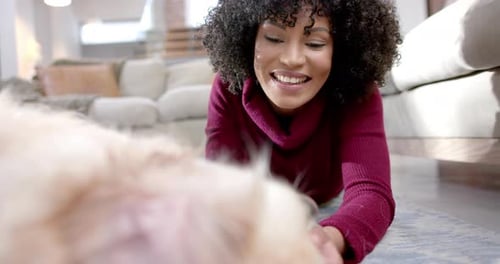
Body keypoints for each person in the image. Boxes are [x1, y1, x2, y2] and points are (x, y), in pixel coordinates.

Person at [202, 0, 401, 263]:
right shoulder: (228, 87)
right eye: (273, 37)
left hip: (324, 193)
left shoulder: (357, 91)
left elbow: (371, 192)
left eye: (315, 43)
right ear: (249, 38)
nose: (292, 59)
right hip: (256, 191)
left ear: (339, 49)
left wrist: (330, 238)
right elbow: (220, 183)